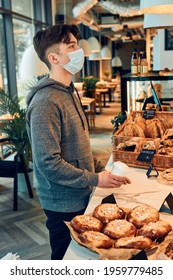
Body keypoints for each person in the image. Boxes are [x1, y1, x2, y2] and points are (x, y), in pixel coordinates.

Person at [26, 24, 131, 260]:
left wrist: (101, 170)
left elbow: (77, 145)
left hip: (80, 192)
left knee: (82, 256)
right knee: (66, 259)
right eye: (71, 46)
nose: (79, 50)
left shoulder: (68, 90)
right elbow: (48, 163)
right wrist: (95, 178)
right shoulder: (45, 102)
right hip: (62, 201)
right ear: (54, 57)